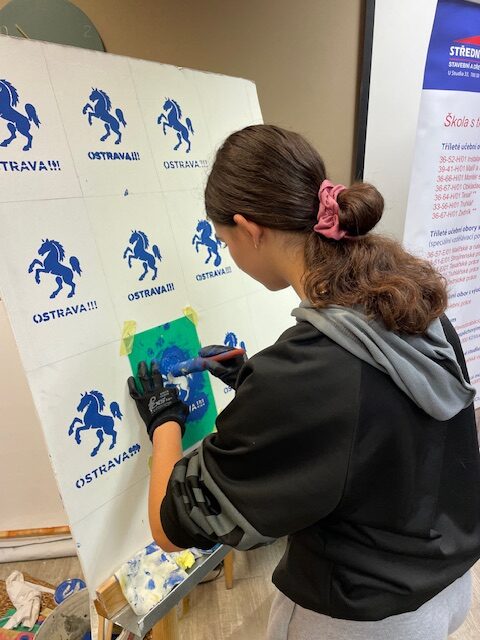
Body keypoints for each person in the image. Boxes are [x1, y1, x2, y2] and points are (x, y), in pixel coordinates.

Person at [128, 125, 480, 640]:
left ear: (249, 229)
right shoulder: (410, 300)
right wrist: (255, 383)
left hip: (362, 618)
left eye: (224, 242)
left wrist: (164, 422)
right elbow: (370, 425)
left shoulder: (305, 374)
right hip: (446, 585)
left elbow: (169, 527)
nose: (229, 255)